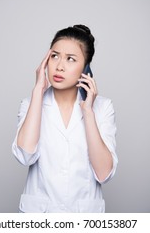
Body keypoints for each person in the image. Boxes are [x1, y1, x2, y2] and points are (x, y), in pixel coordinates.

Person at [12, 24, 118, 213]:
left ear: (86, 68)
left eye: (70, 59)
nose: (59, 66)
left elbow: (103, 174)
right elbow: (25, 156)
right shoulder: (30, 103)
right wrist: (38, 91)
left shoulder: (102, 108)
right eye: (54, 56)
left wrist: (88, 112)